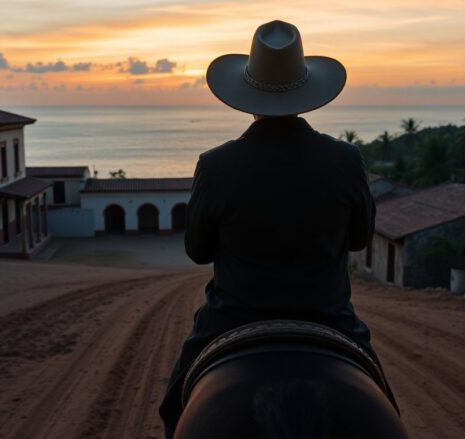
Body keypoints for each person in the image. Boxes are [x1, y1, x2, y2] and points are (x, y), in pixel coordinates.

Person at [159, 19, 398, 437]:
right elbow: (359, 239)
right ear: (308, 94)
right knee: (387, 407)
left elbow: (198, 251)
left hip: (230, 321)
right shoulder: (346, 159)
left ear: (246, 95)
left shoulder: (215, 164)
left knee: (172, 411)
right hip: (331, 319)